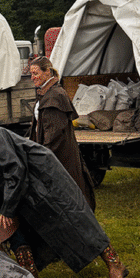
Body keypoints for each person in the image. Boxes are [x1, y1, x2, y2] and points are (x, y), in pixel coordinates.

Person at [0, 98, 128, 278]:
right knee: (14, 229)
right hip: (18, 188)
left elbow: (15, 171)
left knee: (72, 221)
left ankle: (115, 264)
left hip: (42, 182)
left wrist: (8, 209)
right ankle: (30, 274)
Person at [29, 54, 96, 210]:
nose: (32, 77)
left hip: (59, 155)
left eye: (36, 73)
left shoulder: (55, 95)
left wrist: (42, 159)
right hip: (52, 153)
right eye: (31, 74)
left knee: (68, 194)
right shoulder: (46, 93)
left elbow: (54, 137)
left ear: (48, 72)